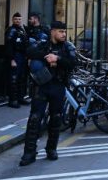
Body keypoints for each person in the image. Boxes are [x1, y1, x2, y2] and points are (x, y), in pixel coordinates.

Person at [19, 21, 77, 166]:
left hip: (58, 86)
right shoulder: (43, 44)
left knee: (56, 118)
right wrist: (48, 56)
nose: (64, 34)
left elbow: (73, 62)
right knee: (34, 118)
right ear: (52, 32)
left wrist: (57, 59)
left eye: (65, 31)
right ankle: (29, 152)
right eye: (60, 31)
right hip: (41, 87)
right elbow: (29, 52)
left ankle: (51, 149)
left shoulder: (67, 46)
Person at [5, 12, 30, 108]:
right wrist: (12, 59)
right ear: (12, 20)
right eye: (16, 19)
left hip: (22, 57)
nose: (18, 21)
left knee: (22, 78)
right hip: (15, 56)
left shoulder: (22, 30)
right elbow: (9, 46)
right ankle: (13, 100)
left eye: (19, 19)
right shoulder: (11, 30)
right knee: (13, 79)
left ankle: (20, 97)